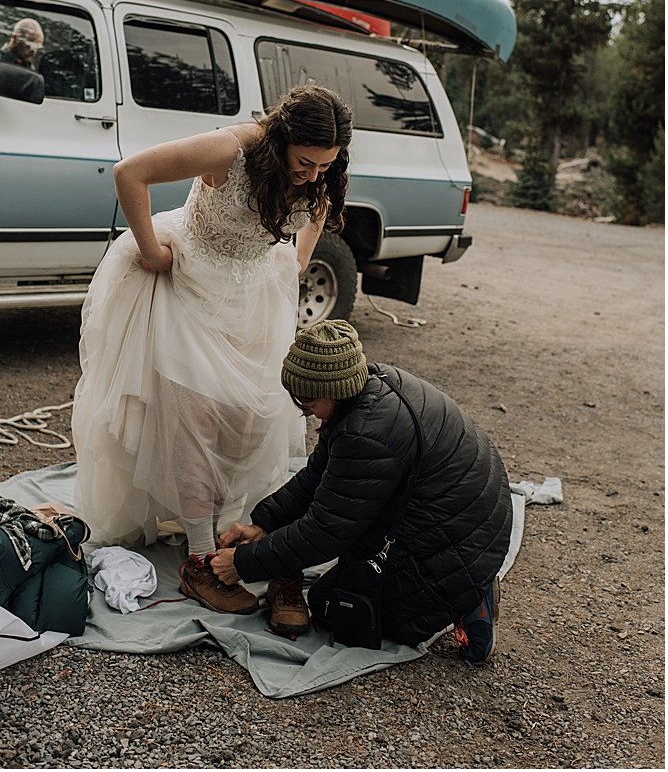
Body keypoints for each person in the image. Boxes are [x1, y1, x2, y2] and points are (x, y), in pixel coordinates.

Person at [70, 84, 353, 613]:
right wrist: (152, 251)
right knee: (193, 417)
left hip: (256, 294)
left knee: (249, 417)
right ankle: (198, 559)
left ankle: (230, 531)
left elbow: (319, 207)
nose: (315, 174)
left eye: (326, 165)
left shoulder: (322, 170)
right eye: (306, 162)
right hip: (191, 285)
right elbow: (129, 173)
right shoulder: (233, 149)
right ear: (283, 138)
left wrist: (296, 263)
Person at [211, 320, 511, 664]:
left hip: (458, 541)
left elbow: (325, 532)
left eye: (307, 398)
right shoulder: (368, 389)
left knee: (337, 609)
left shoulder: (365, 433)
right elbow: (318, 475)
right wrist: (264, 523)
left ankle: (469, 597)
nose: (301, 406)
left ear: (335, 388)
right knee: (340, 584)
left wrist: (246, 563)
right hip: (466, 515)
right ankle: (467, 582)